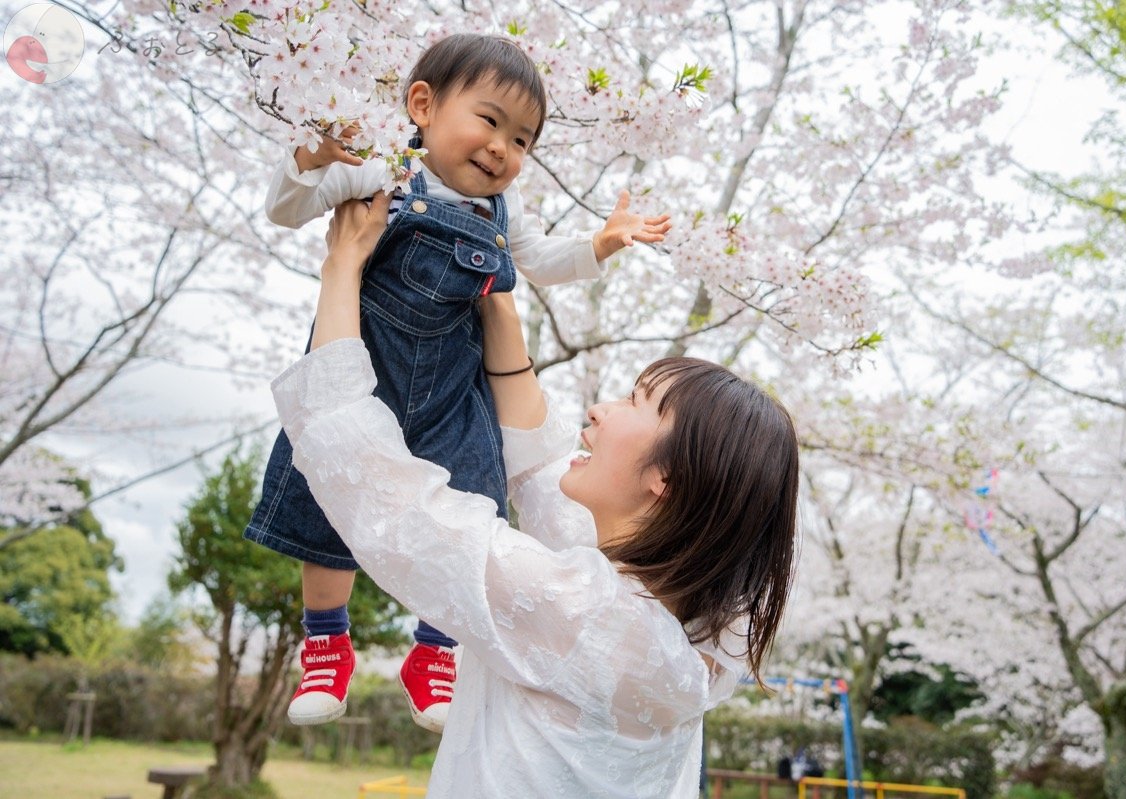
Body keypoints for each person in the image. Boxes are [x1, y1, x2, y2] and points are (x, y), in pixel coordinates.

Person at [268, 191, 800, 796]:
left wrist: (341, 268)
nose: (599, 408)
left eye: (634, 402)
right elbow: (539, 461)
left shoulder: (586, 614)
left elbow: (380, 490)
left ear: (667, 480)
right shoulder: (696, 623)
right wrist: (495, 290)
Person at [244, 33, 670, 731]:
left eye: (524, 140)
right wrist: (310, 157)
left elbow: (543, 262)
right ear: (422, 105)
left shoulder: (506, 214)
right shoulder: (383, 170)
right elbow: (288, 210)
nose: (504, 147)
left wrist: (600, 243)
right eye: (490, 120)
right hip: (365, 372)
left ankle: (436, 650)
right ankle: (325, 638)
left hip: (451, 395)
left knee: (475, 503)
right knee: (323, 489)